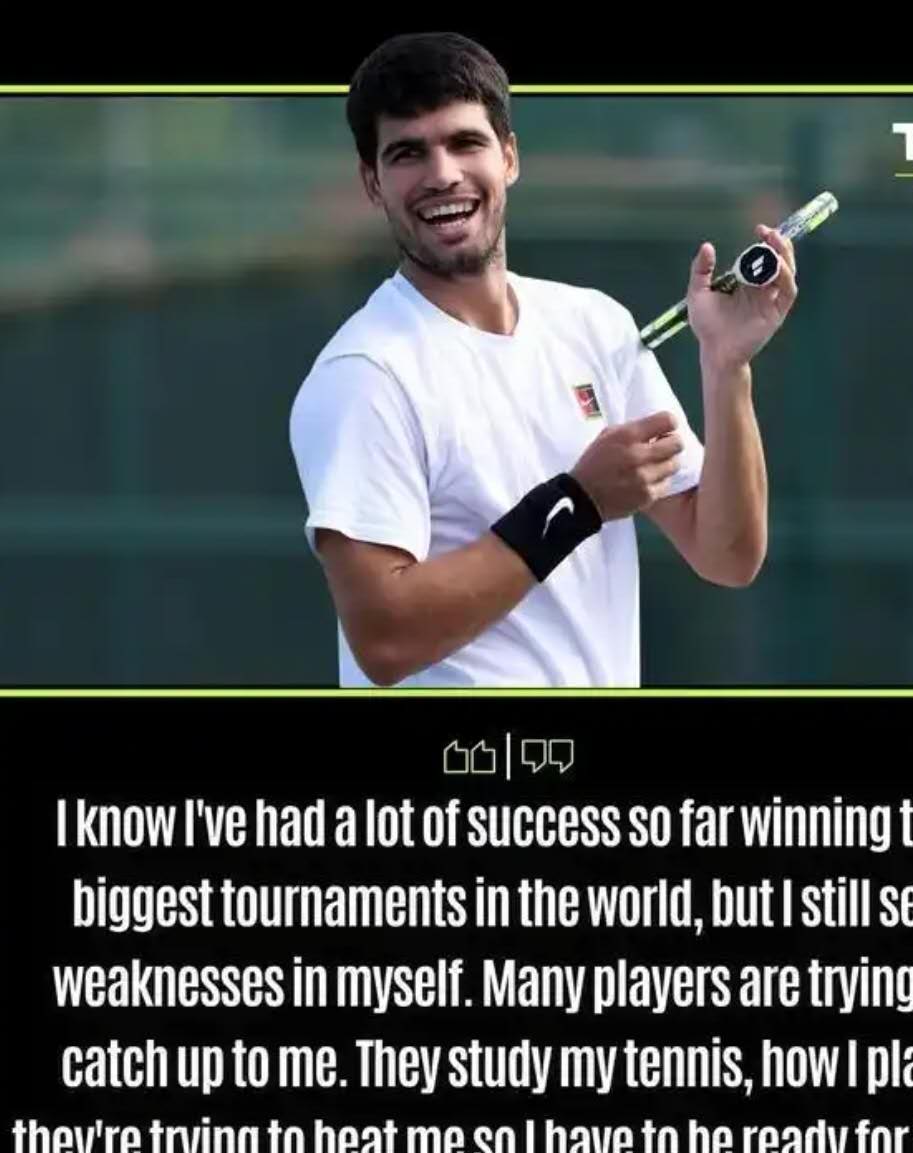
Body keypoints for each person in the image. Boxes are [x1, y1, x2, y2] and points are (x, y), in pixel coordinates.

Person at [289, 32, 797, 688]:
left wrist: (727, 368)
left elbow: (726, 553)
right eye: (408, 153)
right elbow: (384, 639)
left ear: (509, 157)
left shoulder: (592, 324)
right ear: (371, 182)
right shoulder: (364, 375)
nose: (442, 174)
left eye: (465, 143)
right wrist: (578, 503)